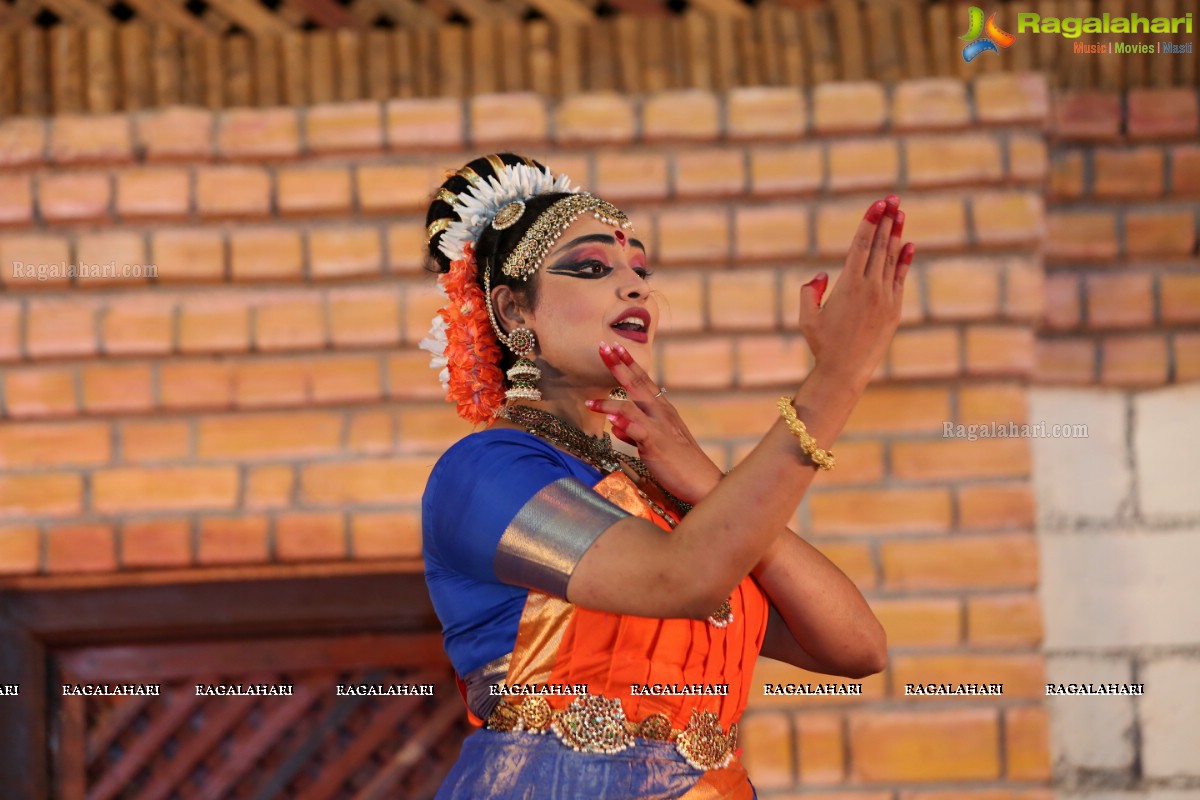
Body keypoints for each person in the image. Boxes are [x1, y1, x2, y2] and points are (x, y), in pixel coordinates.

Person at [419, 153, 914, 799]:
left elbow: (856, 648)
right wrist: (837, 380)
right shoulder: (484, 471)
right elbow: (678, 578)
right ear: (514, 311)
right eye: (593, 268)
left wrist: (709, 484)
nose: (635, 288)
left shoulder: (665, 496)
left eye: (641, 272)